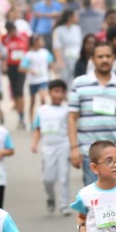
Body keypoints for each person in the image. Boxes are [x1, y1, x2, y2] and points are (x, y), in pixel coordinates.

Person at [69, 42, 116, 185]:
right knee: (94, 201)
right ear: (92, 58)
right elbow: (72, 118)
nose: (104, 60)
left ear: (114, 58)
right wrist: (74, 149)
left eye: (108, 56)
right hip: (90, 152)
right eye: (100, 56)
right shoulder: (79, 83)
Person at [31, 80, 72, 214]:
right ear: (49, 93)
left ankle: (64, 204)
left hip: (63, 144)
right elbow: (37, 128)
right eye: (56, 91)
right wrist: (34, 143)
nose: (58, 94)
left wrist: (73, 147)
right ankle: (50, 197)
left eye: (61, 91)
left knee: (64, 175)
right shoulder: (42, 110)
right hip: (48, 146)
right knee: (48, 178)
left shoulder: (68, 109)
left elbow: (72, 128)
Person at [0, 21, 30, 127]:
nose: (11, 33)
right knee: (15, 92)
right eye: (9, 31)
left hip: (21, 67)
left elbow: (27, 50)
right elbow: (2, 52)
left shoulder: (23, 37)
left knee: (20, 91)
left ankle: (22, 117)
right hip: (11, 67)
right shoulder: (5, 39)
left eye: (12, 31)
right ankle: (20, 115)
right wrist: (3, 64)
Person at [20, 34, 54, 126]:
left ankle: (43, 120)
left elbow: (51, 64)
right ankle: (31, 122)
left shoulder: (45, 52)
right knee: (33, 101)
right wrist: (30, 70)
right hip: (33, 81)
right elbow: (21, 68)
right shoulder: (29, 55)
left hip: (43, 79)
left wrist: (53, 74)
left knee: (43, 98)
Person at [52, 9, 84, 79]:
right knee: (65, 79)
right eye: (75, 16)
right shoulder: (59, 30)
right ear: (70, 17)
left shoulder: (77, 28)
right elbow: (56, 46)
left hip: (76, 58)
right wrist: (59, 60)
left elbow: (80, 44)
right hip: (64, 60)